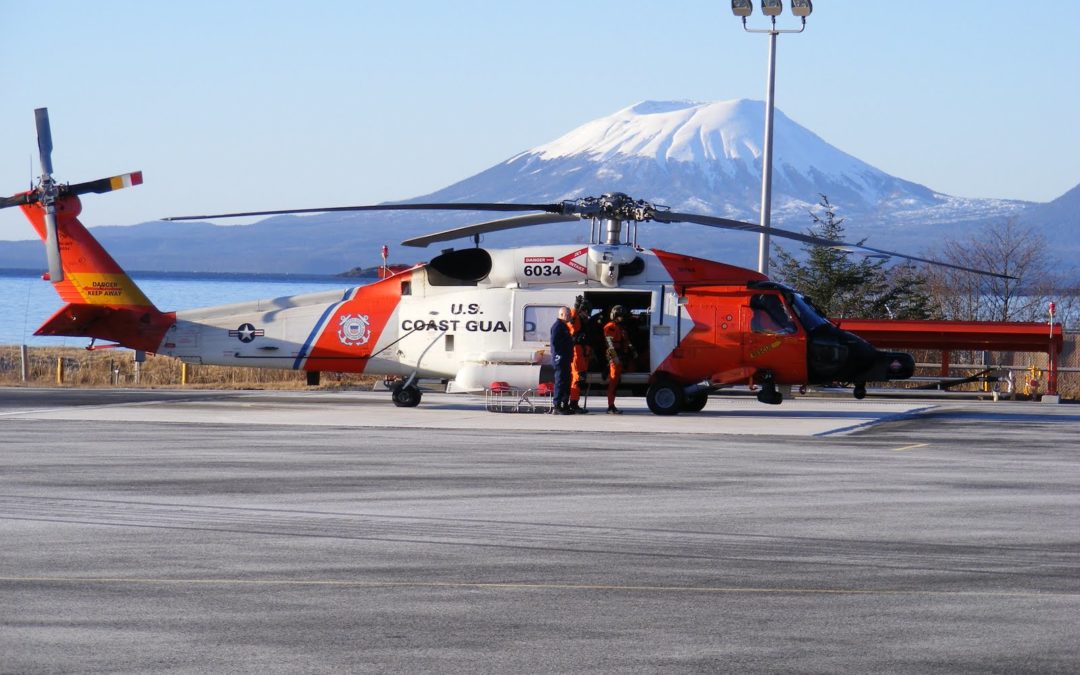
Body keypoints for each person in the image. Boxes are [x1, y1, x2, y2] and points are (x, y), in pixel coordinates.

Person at [602, 304, 637, 414]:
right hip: (614, 357)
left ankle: (612, 405)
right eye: (621, 316)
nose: (623, 318)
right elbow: (609, 343)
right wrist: (615, 357)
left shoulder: (621, 328)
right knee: (613, 382)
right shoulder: (610, 326)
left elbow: (627, 342)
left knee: (616, 382)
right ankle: (610, 406)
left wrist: (633, 351)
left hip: (620, 356)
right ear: (615, 316)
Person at [567, 295, 592, 413]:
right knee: (577, 378)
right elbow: (571, 323)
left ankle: (574, 402)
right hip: (577, 351)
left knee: (580, 379)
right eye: (586, 311)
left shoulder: (583, 321)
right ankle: (573, 404)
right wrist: (576, 308)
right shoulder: (574, 316)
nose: (588, 314)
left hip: (582, 352)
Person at [549, 305, 574, 414]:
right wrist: (558, 356)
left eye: (570, 314)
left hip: (566, 359)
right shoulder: (557, 326)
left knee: (566, 382)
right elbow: (554, 343)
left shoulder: (564, 326)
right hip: (560, 359)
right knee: (560, 382)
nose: (569, 316)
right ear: (562, 315)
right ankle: (557, 406)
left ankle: (565, 404)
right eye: (568, 314)